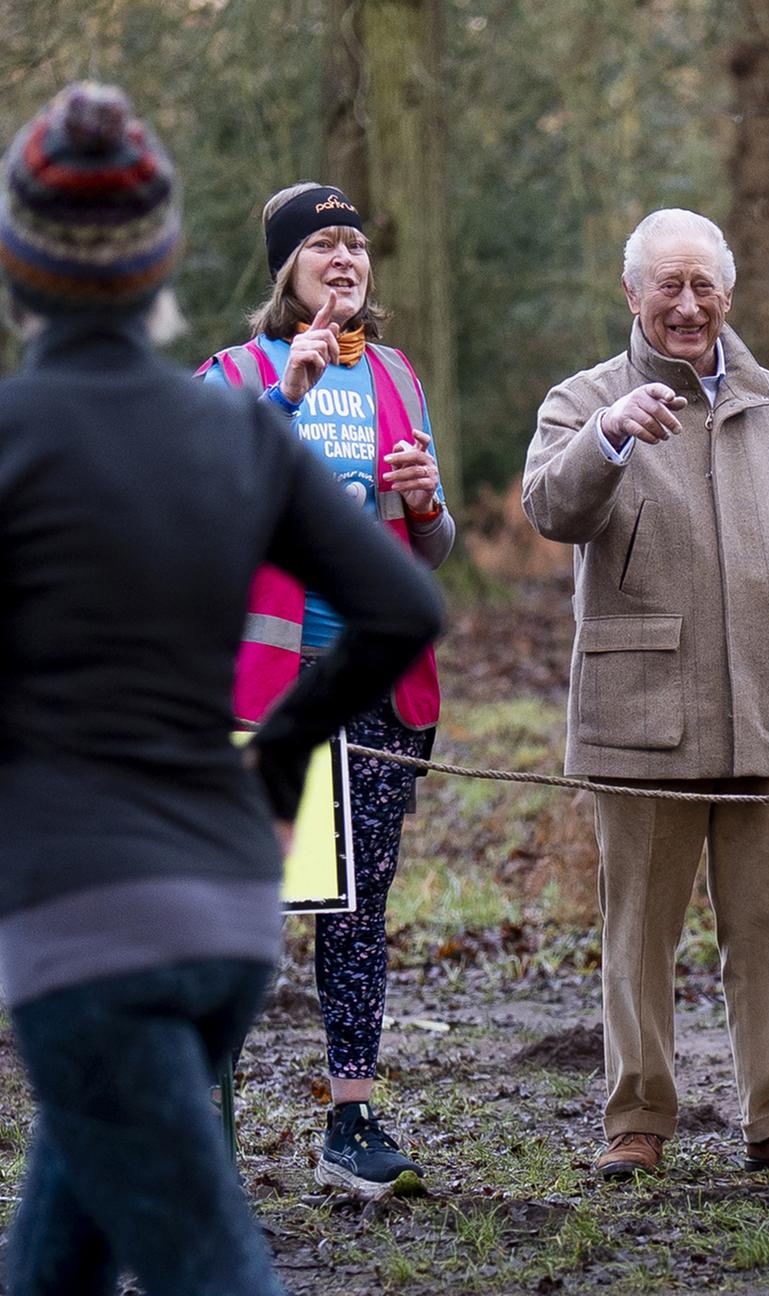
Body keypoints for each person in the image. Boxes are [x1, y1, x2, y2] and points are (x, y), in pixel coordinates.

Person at [0, 85, 442, 1296]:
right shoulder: (234, 420)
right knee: (58, 1244)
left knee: (203, 1261)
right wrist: (287, 743)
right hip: (225, 910)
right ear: (160, 263)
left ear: (18, 269)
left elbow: (414, 578)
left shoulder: (22, 435)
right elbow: (410, 608)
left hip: (82, 914)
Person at [523, 209, 769, 1179]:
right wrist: (609, 438)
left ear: (728, 294)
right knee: (639, 934)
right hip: (643, 717)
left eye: (704, 284)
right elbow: (549, 507)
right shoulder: (584, 399)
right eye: (667, 285)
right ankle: (639, 1123)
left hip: (765, 701)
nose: (687, 303)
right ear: (632, 296)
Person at [200, 181, 454, 1198]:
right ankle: (199, 1123)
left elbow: (429, 549)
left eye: (354, 245)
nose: (343, 260)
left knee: (357, 911)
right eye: (323, 247)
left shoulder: (395, 373)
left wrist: (429, 502)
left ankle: (351, 1127)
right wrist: (286, 397)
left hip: (378, 694)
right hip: (270, 694)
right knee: (245, 906)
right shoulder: (232, 373)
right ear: (286, 271)